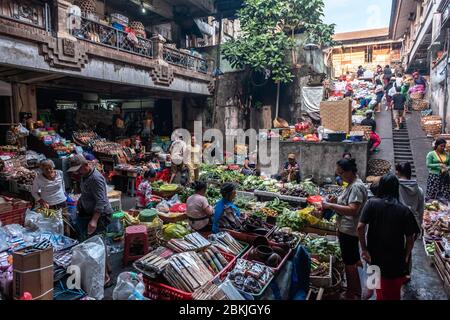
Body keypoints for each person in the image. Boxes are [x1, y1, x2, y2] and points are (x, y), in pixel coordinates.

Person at [357, 174, 420, 300]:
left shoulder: (371, 204)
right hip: (394, 262)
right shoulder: (404, 210)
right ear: (396, 188)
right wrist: (406, 255)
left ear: (381, 187)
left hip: (373, 257)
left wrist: (364, 249)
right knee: (390, 293)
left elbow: (360, 227)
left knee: (372, 287)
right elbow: (410, 238)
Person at [322, 158, 368, 300]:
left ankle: (351, 294)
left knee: (350, 264)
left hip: (349, 230)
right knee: (352, 261)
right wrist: (336, 201)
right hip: (346, 229)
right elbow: (348, 203)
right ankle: (356, 291)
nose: (339, 176)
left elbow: (353, 209)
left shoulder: (356, 187)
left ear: (349, 171)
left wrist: (331, 206)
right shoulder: (351, 184)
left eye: (341, 173)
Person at [67, 154, 113, 286]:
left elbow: (101, 201)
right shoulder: (85, 176)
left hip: (101, 215)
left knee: (98, 245)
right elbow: (86, 194)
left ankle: (105, 278)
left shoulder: (95, 178)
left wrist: (94, 220)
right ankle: (108, 268)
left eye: (78, 169)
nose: (77, 172)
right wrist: (80, 203)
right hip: (89, 213)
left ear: (86, 165)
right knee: (99, 243)